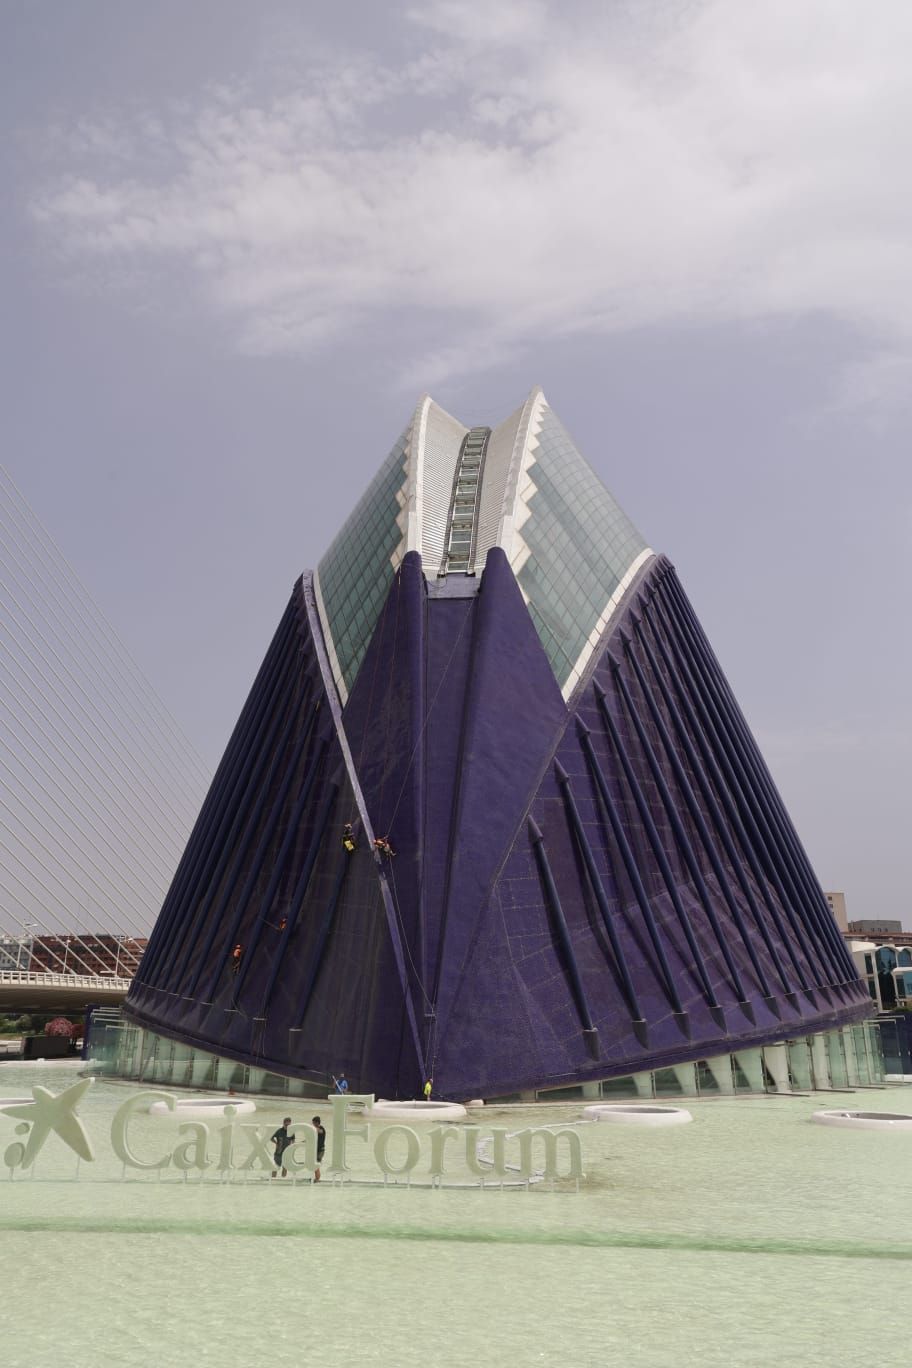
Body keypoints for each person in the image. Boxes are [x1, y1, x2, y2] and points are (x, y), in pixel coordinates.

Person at [311, 1115, 326, 1183]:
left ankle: (317, 1179)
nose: (312, 1124)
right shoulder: (314, 1130)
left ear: (317, 1123)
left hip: (320, 1151)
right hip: (315, 1150)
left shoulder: (321, 1128)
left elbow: (320, 1131)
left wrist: (313, 1128)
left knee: (316, 1165)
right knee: (315, 1165)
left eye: (313, 1123)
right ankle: (316, 1178)